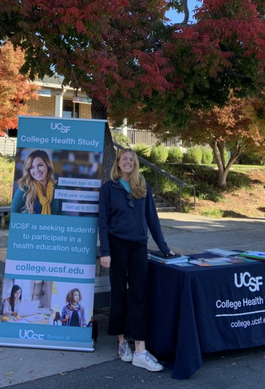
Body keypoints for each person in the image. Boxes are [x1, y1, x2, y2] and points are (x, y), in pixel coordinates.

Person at [98, 148, 174, 372]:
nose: (128, 162)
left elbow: (152, 218)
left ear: (135, 163)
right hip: (117, 246)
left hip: (139, 246)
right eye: (124, 159)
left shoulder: (143, 186)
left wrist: (164, 247)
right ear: (118, 164)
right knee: (119, 293)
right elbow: (103, 222)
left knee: (139, 295)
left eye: (131, 159)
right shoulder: (108, 189)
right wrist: (105, 252)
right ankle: (123, 343)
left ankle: (140, 349)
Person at [11, 149, 61, 214]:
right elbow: (13, 215)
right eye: (32, 167)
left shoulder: (58, 188)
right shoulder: (24, 190)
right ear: (28, 170)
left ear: (47, 166)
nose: (36, 170)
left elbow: (62, 216)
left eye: (40, 165)